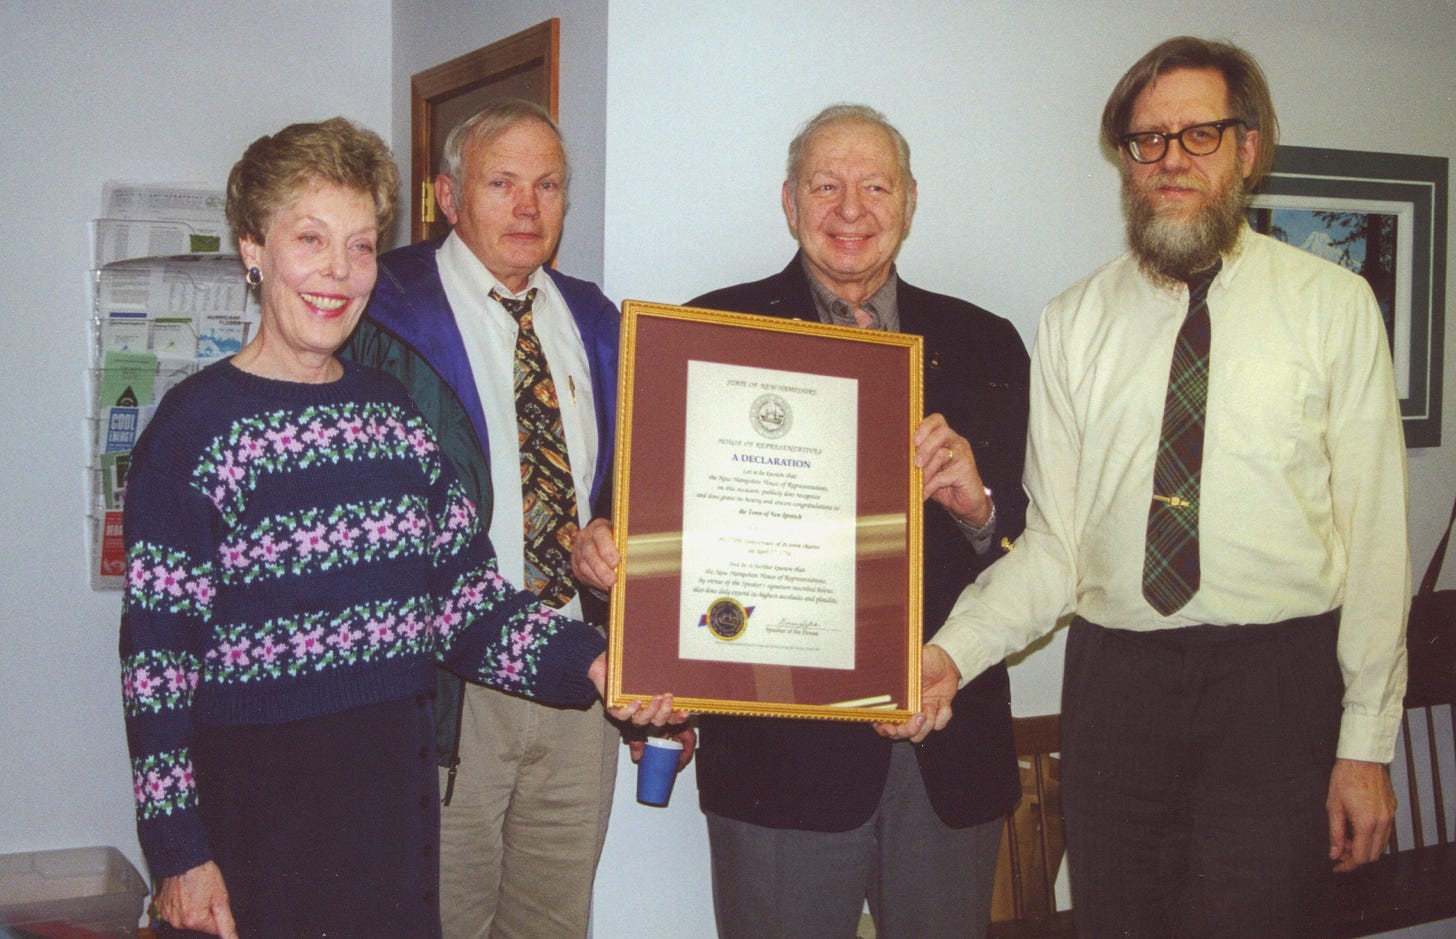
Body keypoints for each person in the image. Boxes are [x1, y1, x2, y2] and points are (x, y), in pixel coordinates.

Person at [882, 37, 1409, 937]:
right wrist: (950, 653)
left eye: (1198, 135)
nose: (1170, 160)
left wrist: (1364, 745)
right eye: (1146, 140)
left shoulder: (1333, 307)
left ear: (1248, 149)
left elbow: (1378, 543)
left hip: (1274, 689)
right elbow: (1056, 547)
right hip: (1117, 690)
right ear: (1124, 162)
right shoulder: (1074, 320)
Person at [119, 117, 677, 939]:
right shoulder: (192, 428)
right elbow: (156, 668)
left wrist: (596, 662)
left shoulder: (391, 413)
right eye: (310, 239)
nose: (338, 273)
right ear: (253, 248)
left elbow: (465, 602)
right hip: (254, 829)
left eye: (361, 245)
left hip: (389, 816)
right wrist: (178, 854)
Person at [573, 103, 1030, 939]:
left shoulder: (987, 343)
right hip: (776, 768)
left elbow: (1033, 543)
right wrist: (608, 573)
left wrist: (979, 506)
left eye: (874, 186)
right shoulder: (708, 331)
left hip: (946, 757)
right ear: (789, 202)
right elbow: (628, 525)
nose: (850, 209)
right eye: (826, 185)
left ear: (910, 200)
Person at [346, 99, 689, 939]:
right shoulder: (379, 313)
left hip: (580, 679)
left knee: (551, 925)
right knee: (439, 922)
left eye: (548, 185)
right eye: (502, 183)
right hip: (446, 689)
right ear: (447, 195)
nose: (529, 207)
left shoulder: (598, 321)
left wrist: (613, 538)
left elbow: (635, 487)